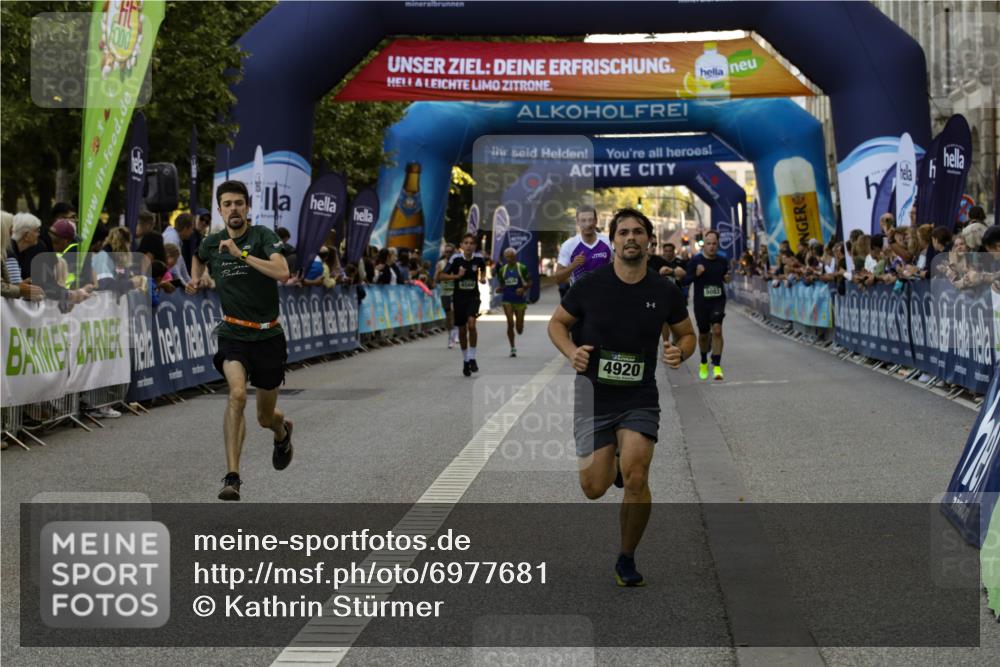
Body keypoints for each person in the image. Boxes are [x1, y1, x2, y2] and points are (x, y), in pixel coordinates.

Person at [547, 207, 696, 587]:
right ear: (612, 241)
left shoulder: (664, 290)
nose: (631, 237)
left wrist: (681, 352)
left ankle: (627, 557)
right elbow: (557, 324)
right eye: (623, 232)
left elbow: (687, 334)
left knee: (637, 477)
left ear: (648, 240)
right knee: (593, 488)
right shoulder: (590, 285)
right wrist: (571, 352)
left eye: (638, 231)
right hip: (594, 397)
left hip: (639, 396)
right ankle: (611, 461)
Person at [186, 180, 293, 501]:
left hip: (268, 335)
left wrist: (241, 253)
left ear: (248, 207)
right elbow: (198, 257)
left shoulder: (262, 236)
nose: (233, 208)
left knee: (264, 417)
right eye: (227, 204)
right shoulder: (212, 242)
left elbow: (282, 272)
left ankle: (282, 430)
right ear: (220, 210)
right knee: (236, 394)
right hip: (233, 333)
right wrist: (197, 278)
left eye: (239, 203)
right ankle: (232, 477)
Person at [684, 230, 731, 381]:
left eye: (714, 244)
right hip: (701, 302)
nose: (711, 247)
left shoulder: (722, 261)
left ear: (718, 244)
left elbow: (726, 277)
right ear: (704, 245)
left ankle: (717, 365)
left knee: (717, 330)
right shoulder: (695, 261)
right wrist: (696, 274)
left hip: (718, 300)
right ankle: (704, 361)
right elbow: (685, 280)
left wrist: (727, 278)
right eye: (708, 243)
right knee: (704, 334)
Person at [440, 233, 487, 376]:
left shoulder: (479, 258)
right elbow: (442, 275)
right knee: (462, 331)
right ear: (461, 245)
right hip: (459, 298)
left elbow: (483, 269)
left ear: (475, 246)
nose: (468, 246)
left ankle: (472, 357)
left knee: (471, 325)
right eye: (466, 243)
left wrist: (482, 278)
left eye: (471, 243)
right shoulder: (455, 259)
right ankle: (466, 360)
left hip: (473, 297)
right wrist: (457, 276)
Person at [553, 205, 612, 292]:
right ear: (577, 222)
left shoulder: (608, 242)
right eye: (583, 220)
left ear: (596, 221)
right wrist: (573, 265)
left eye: (590, 220)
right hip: (579, 297)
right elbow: (558, 279)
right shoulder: (568, 245)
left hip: (605, 295)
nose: (587, 224)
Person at [495, 247, 532, 357]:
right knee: (510, 323)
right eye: (507, 257)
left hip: (519, 300)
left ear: (515, 256)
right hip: (507, 299)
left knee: (519, 329)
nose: (509, 259)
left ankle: (520, 325)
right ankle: (512, 348)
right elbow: (502, 284)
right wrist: (499, 289)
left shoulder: (522, 268)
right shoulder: (502, 270)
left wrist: (523, 289)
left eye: (511, 256)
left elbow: (530, 282)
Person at [435, 243, 459, 348]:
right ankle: (451, 333)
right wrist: (438, 273)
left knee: (454, 312)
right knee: (448, 316)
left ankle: (453, 336)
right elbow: (436, 280)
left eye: (450, 252)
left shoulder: (458, 263)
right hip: (445, 292)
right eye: (446, 252)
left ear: (454, 252)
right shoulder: (440, 263)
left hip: (456, 292)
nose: (448, 254)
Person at [163, 213, 194, 284]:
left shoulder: (176, 238)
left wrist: (190, 283)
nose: (192, 232)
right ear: (185, 228)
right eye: (191, 228)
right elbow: (174, 270)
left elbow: (182, 266)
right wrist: (185, 285)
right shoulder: (172, 239)